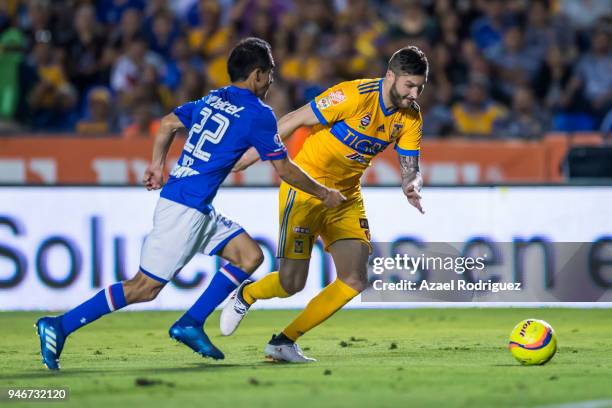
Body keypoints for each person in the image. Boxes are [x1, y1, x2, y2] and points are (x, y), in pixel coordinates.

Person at [35, 37, 345, 370]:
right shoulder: (259, 114)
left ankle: (191, 322)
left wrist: (157, 164)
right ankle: (59, 326)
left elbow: (168, 123)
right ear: (257, 74)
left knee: (249, 255)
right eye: (269, 74)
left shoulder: (214, 98)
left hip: (195, 204)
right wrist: (324, 193)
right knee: (143, 287)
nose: (271, 82)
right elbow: (284, 169)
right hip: (185, 209)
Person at [222, 46, 427, 362]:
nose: (414, 94)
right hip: (306, 187)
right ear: (390, 76)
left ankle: (284, 341)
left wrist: (411, 184)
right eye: (409, 85)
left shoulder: (410, 117)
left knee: (355, 279)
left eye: (419, 87)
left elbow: (410, 165)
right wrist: (251, 156)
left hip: (345, 196)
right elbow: (294, 119)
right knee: (291, 283)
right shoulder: (353, 96)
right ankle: (246, 294)